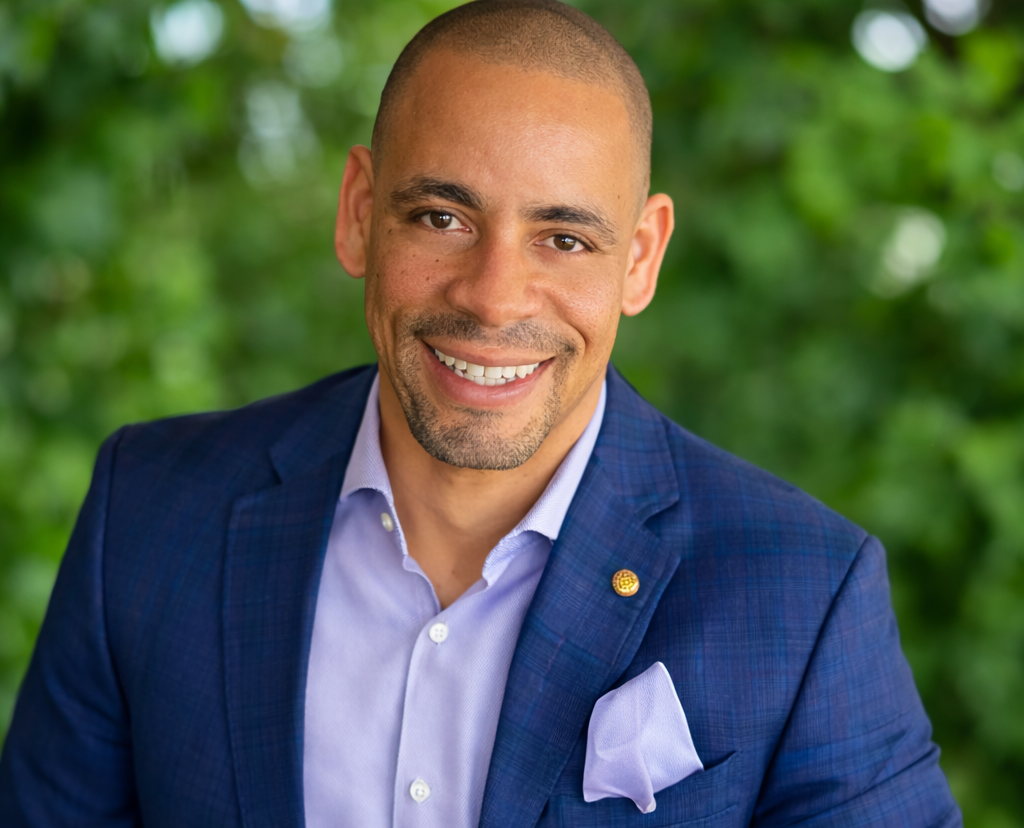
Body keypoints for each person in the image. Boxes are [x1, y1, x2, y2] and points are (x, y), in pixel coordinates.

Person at [0, 1, 961, 825]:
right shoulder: (150, 513)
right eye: (441, 219)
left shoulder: (803, 593)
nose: (496, 299)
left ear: (639, 257)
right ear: (358, 212)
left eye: (564, 238)